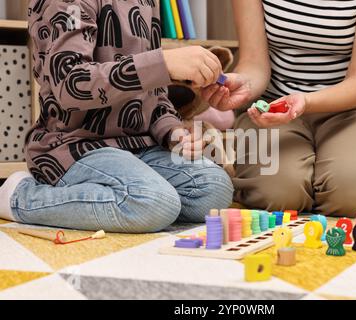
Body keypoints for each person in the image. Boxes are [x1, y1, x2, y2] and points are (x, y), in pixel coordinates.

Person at [0, 0, 233, 233]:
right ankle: (21, 197)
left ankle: (132, 200)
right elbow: (71, 83)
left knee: (214, 188)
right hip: (75, 146)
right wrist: (164, 63)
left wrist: (173, 132)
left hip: (138, 146)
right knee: (153, 202)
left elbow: (155, 95)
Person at [202, 0, 356, 216]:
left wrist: (306, 102)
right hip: (274, 110)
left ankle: (335, 170)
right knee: (278, 195)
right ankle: (312, 176)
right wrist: (244, 83)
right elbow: (254, 62)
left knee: (354, 195)